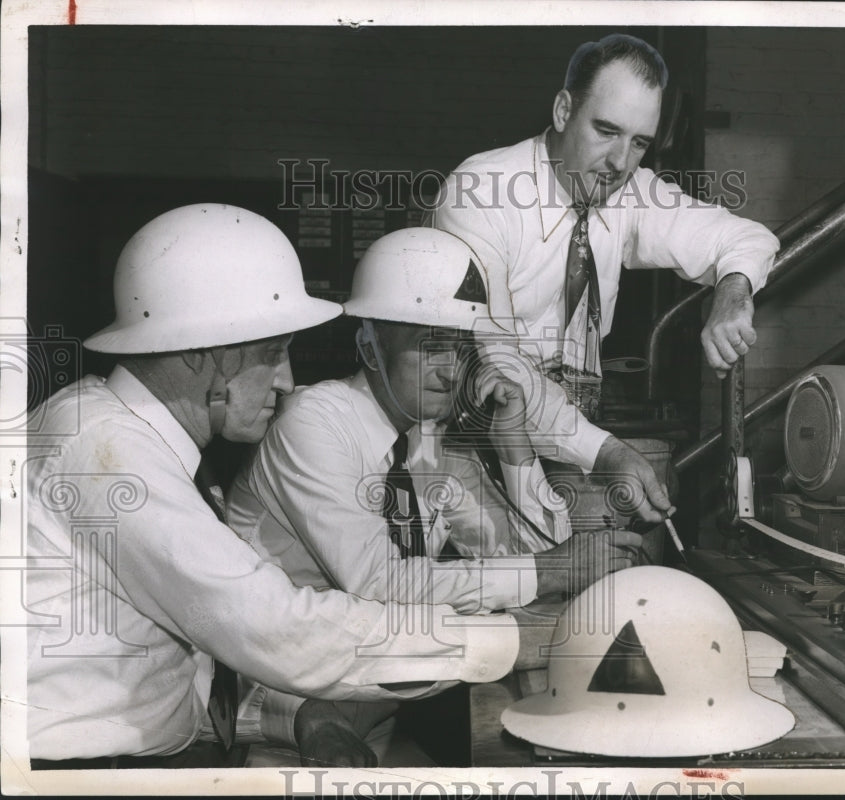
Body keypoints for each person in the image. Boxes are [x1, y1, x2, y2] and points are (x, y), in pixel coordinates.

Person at [23, 204, 565, 771]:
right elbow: (275, 628)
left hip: (155, 757)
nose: (286, 381)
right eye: (270, 354)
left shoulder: (127, 438)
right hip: (75, 774)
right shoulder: (108, 453)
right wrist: (506, 642)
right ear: (199, 348)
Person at [425, 33, 779, 523]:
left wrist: (732, 289)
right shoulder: (481, 194)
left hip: (566, 441)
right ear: (564, 110)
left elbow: (747, 237)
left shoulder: (629, 193)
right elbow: (499, 366)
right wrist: (608, 453)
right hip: (461, 450)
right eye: (606, 130)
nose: (619, 162)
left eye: (639, 143)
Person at [226, 226, 642, 615]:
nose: (451, 370)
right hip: (295, 685)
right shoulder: (312, 425)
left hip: (390, 673)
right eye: (431, 348)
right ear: (370, 349)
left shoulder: (428, 442)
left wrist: (512, 441)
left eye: (461, 350)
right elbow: (376, 583)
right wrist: (552, 569)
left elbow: (537, 554)